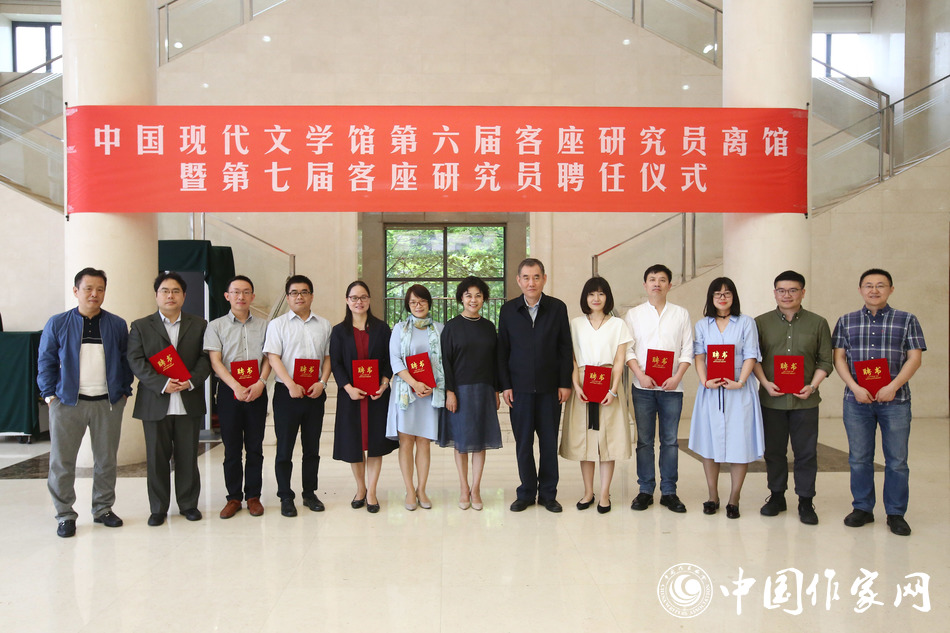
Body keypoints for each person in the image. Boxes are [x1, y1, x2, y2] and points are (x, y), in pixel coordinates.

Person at [37, 268, 134, 538]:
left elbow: (126, 360)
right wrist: (50, 395)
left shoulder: (116, 324)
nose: (94, 294)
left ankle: (103, 509)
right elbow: (45, 361)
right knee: (62, 461)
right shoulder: (58, 323)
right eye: (88, 288)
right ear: (76, 291)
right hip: (68, 402)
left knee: (106, 460)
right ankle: (65, 514)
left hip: (108, 402)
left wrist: (124, 391)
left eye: (100, 289)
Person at [832, 268, 925, 536]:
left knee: (897, 460)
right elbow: (839, 358)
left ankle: (896, 513)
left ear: (891, 289)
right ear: (860, 289)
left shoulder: (907, 319)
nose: (874, 290)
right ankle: (862, 508)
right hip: (856, 401)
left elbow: (915, 357)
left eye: (881, 285)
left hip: (895, 401)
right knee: (859, 458)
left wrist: (893, 386)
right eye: (868, 285)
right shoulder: (846, 321)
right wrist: (855, 387)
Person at [127, 272, 211, 526]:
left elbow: (206, 358)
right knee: (156, 459)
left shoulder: (199, 325)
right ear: (156, 295)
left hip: (188, 399)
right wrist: (162, 383)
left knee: (188, 457)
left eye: (176, 291)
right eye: (165, 291)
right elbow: (136, 360)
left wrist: (190, 380)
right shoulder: (141, 326)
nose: (170, 296)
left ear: (184, 296)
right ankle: (158, 508)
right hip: (155, 401)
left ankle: (188, 504)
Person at [752, 270, 833, 525]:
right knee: (774, 451)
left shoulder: (818, 323)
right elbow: (753, 358)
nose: (787, 295)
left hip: (805, 401)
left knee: (806, 452)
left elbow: (825, 361)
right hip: (771, 400)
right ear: (774, 293)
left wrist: (812, 386)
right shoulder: (760, 323)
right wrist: (765, 383)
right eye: (781, 290)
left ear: (803, 292)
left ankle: (806, 501)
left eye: (793, 290)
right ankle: (777, 496)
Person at [497, 258, 573, 513]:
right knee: (523, 444)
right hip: (519, 390)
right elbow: (502, 350)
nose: (531, 282)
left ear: (544, 279)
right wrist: (505, 385)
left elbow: (565, 348)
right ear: (518, 280)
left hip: (550, 390)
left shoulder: (557, 308)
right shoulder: (508, 310)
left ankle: (549, 494)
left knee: (549, 444)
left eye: (536, 277)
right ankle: (527, 492)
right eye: (526, 277)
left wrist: (564, 383)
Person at [688, 277, 764, 519]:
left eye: (727, 293)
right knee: (709, 442)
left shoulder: (746, 322)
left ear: (734, 297)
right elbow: (699, 356)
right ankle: (713, 495)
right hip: (711, 389)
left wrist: (740, 381)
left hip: (739, 388)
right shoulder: (703, 325)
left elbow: (751, 354)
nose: (722, 298)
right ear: (711, 298)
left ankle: (734, 498)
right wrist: (704, 381)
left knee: (739, 443)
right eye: (717, 294)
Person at [623, 264, 694, 514]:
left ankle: (669, 491)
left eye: (662, 280)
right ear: (645, 285)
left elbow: (688, 349)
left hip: (672, 388)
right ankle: (645, 490)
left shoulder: (681, 314)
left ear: (669, 285)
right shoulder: (633, 315)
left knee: (670, 441)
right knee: (644, 441)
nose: (657, 283)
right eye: (652, 279)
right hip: (642, 387)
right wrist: (640, 375)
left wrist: (677, 377)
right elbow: (628, 350)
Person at [558, 277, 631, 514]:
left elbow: (619, 360)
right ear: (585, 298)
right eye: (591, 294)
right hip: (583, 383)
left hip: (608, 382)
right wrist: (576, 386)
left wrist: (613, 389)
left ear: (607, 297)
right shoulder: (575, 324)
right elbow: (571, 358)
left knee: (607, 441)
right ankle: (588, 492)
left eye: (601, 294)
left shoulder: (618, 325)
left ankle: (605, 494)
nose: (596, 298)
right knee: (586, 441)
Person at [264, 274, 332, 517]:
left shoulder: (324, 325)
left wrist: (322, 382)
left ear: (311, 296)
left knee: (311, 448)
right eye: (294, 292)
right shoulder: (277, 325)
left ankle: (309, 493)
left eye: (304, 292)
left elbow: (328, 357)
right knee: (284, 448)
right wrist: (291, 384)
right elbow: (273, 357)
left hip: (314, 392)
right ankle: (285, 496)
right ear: (287, 297)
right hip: (287, 393)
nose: (299, 296)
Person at [203, 275, 271, 519]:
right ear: (227, 296)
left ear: (252, 296)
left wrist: (261, 383)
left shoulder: (265, 326)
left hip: (257, 391)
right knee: (231, 448)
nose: (241, 296)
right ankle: (233, 498)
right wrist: (235, 386)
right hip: (229, 392)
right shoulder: (215, 326)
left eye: (246, 292)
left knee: (255, 447)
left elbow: (269, 358)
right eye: (236, 292)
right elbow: (215, 361)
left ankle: (253, 496)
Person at [330, 281, 397, 514]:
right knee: (354, 444)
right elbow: (336, 363)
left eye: (363, 297)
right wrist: (347, 387)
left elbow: (390, 360)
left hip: (377, 396)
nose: (359, 302)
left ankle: (372, 492)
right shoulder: (339, 331)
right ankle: (360, 488)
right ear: (347, 301)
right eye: (354, 298)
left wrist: (384, 384)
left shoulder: (382, 328)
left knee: (375, 445)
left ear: (369, 300)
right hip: (351, 397)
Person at [438, 277, 503, 511]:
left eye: (478, 295)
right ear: (461, 299)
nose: (473, 300)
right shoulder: (451, 327)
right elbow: (445, 362)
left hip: (484, 390)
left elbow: (495, 361)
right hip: (460, 391)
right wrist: (449, 392)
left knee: (480, 441)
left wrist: (496, 390)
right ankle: (463, 487)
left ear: (483, 298)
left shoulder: (489, 327)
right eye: (468, 295)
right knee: (462, 442)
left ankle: (476, 489)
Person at [386, 284, 444, 511]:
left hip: (429, 393)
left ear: (429, 303)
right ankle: (410, 490)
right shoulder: (399, 329)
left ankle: (422, 489)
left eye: (422, 301)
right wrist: (414, 383)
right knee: (406, 441)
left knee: (424, 442)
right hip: (406, 393)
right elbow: (395, 360)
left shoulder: (439, 329)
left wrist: (430, 385)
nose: (418, 305)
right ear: (407, 305)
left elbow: (442, 362)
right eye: (413, 302)